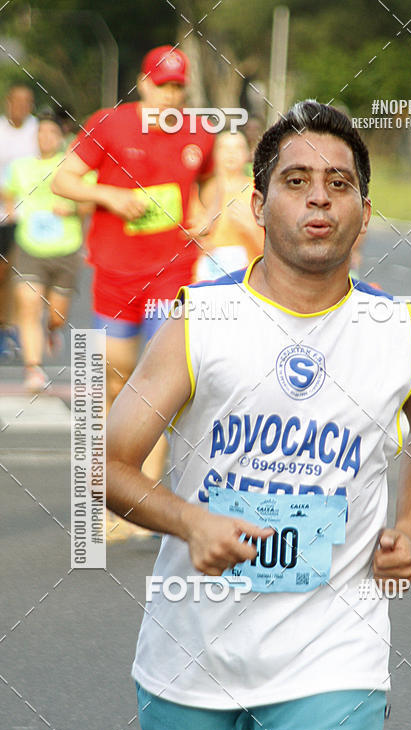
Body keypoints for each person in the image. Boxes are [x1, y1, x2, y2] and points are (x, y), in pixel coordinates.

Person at [106, 100, 411, 730]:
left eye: (339, 185)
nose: (319, 199)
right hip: (195, 646)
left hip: (331, 645)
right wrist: (189, 518)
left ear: (364, 215)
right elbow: (108, 464)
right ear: (259, 202)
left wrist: (408, 524)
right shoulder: (204, 323)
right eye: (296, 180)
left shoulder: (403, 334)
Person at [51, 45, 216, 539]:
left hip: (173, 273)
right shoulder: (110, 124)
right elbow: (62, 180)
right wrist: (108, 195)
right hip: (115, 276)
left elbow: (206, 185)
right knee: (115, 384)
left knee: (158, 384)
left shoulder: (198, 133)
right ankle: (113, 489)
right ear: (143, 84)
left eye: (177, 86)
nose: (169, 95)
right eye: (161, 85)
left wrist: (205, 212)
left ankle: (140, 503)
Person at [4, 112, 90, 392]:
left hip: (65, 250)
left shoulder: (72, 167)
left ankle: (53, 331)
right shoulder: (21, 167)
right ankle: (34, 369)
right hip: (30, 247)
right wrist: (10, 210)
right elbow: (7, 191)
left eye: (51, 134)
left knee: (56, 315)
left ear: (60, 137)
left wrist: (73, 208)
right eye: (41, 134)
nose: (45, 139)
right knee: (29, 306)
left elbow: (90, 204)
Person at [194, 130, 264, 281]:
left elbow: (273, 253)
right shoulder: (197, 191)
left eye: (238, 148)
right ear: (213, 153)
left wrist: (251, 229)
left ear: (248, 153)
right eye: (224, 148)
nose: (231, 154)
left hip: (247, 280)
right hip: (204, 282)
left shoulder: (259, 192)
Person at [0, 83, 38, 360]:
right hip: (2, 213)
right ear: (8, 102)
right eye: (17, 100)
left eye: (28, 101)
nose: (22, 106)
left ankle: (15, 328)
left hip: (29, 217)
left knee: (20, 276)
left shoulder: (37, 131)